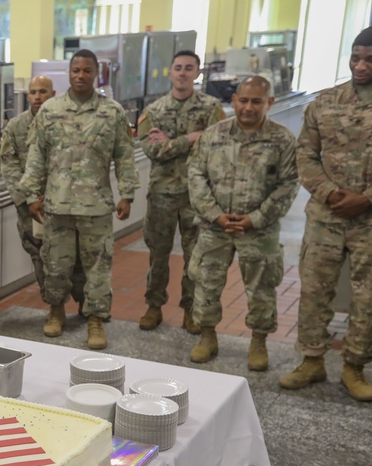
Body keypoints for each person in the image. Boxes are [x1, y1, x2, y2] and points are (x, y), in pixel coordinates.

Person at [20, 49, 139, 350]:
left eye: (87, 71)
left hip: (96, 206)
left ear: (96, 74)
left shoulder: (112, 112)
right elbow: (36, 156)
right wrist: (32, 195)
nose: (81, 76)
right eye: (76, 70)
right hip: (57, 205)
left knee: (98, 266)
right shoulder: (49, 110)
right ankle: (56, 310)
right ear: (69, 74)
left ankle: (95, 318)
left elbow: (124, 156)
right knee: (56, 263)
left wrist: (127, 194)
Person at [280, 27, 372, 400]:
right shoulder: (325, 101)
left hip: (368, 219)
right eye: (355, 58)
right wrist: (330, 192)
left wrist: (366, 198)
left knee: (367, 297)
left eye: (369, 60)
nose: (360, 66)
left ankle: (354, 366)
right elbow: (305, 154)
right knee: (315, 289)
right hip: (326, 214)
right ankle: (312, 360)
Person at [186, 76, 298, 369]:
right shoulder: (213, 135)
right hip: (215, 226)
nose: (249, 107)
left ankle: (258, 342)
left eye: (256, 101)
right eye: (244, 100)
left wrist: (255, 219)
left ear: (269, 103)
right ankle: (207, 337)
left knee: (262, 288)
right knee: (206, 283)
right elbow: (195, 175)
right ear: (234, 100)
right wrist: (214, 214)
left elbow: (288, 185)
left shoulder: (283, 139)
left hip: (259, 230)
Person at [137, 50, 225, 333]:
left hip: (198, 196)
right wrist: (189, 139)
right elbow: (152, 150)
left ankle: (191, 309)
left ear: (198, 73)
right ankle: (153, 306)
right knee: (158, 255)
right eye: (178, 68)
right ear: (170, 72)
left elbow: (217, 148)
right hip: (163, 194)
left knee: (194, 257)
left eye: (189, 68)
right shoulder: (155, 110)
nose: (183, 73)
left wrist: (170, 143)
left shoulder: (212, 109)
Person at [2, 74, 83, 297]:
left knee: (70, 252)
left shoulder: (66, 123)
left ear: (53, 94)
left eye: (43, 92)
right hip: (30, 208)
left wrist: (55, 195)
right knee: (38, 253)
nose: (37, 97)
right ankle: (53, 304)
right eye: (33, 92)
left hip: (62, 202)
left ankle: (81, 298)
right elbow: (9, 166)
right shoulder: (16, 126)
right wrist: (28, 199)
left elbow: (74, 163)